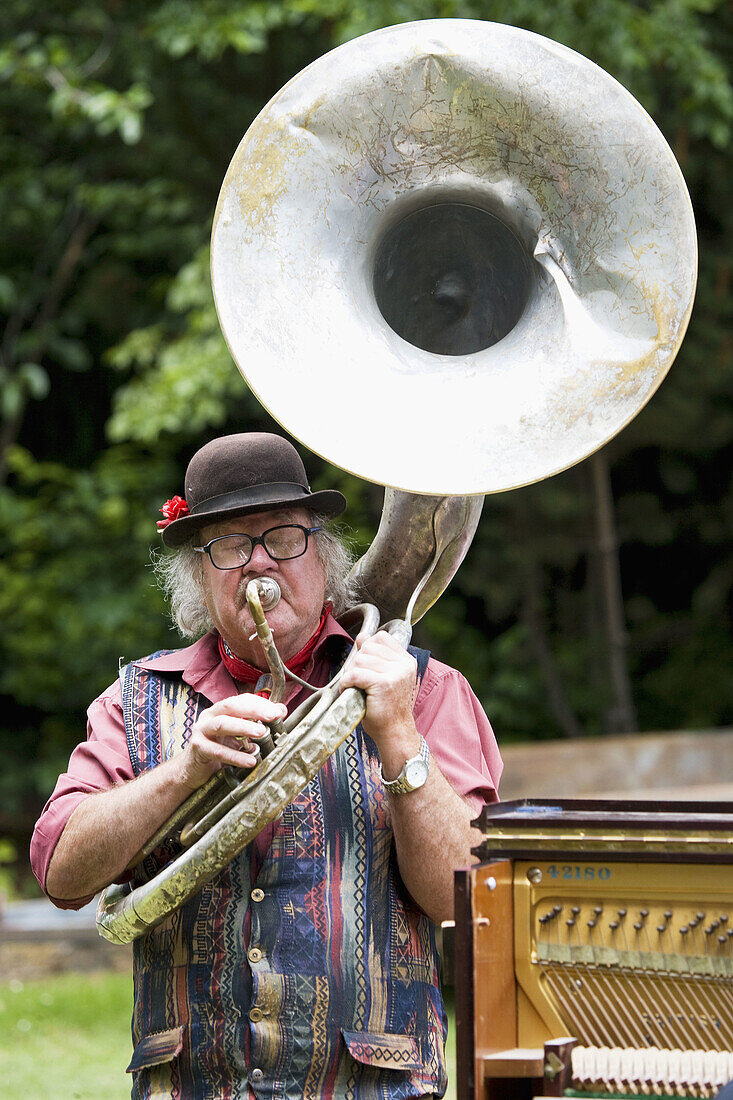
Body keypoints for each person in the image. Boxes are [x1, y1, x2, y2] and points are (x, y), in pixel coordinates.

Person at [31, 432, 502, 1100]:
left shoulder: (421, 688)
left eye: (284, 537)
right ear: (198, 574)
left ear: (323, 553)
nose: (258, 566)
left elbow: (467, 897)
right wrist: (183, 770)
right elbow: (61, 874)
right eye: (228, 547)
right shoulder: (133, 701)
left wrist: (396, 734)